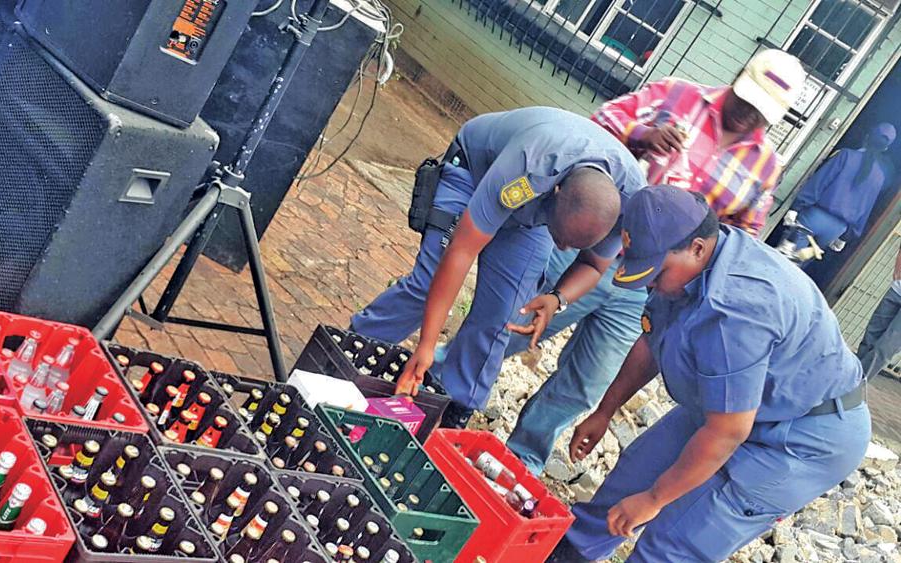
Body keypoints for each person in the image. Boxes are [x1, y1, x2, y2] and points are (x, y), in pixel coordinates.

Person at [502, 49, 805, 474]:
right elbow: (595, 128)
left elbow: (743, 234)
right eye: (746, 101)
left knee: (587, 381)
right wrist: (641, 135)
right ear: (738, 78)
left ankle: (520, 459)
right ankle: (441, 383)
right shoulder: (676, 96)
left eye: (760, 113)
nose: (747, 115)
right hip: (594, 247)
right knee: (514, 329)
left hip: (650, 288)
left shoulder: (765, 166)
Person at [547, 185, 870, 562]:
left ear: (698, 248)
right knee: (632, 479)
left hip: (804, 435)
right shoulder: (688, 258)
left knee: (675, 542)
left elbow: (728, 431)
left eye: (657, 272)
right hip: (739, 404)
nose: (649, 283)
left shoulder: (736, 310)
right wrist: (605, 411)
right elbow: (652, 340)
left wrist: (655, 499)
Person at [349, 107, 645, 427]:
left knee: (504, 314)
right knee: (428, 285)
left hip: (534, 218)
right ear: (555, 193)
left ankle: (452, 408)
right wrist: (427, 344)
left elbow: (594, 264)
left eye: (571, 244)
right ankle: (352, 352)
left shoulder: (628, 206)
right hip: (475, 173)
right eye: (560, 239)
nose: (561, 249)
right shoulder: (532, 164)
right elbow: (461, 251)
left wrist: (557, 298)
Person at [786, 122, 896, 257]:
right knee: (800, 264)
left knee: (786, 257)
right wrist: (846, 237)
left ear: (867, 136)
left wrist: (796, 207)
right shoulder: (880, 177)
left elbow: (819, 183)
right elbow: (865, 209)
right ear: (885, 148)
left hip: (813, 218)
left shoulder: (845, 155)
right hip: (837, 229)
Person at [857, 243, 901, 379]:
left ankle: (855, 382)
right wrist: (898, 266)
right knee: (870, 337)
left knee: (886, 347)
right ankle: (850, 376)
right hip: (897, 290)